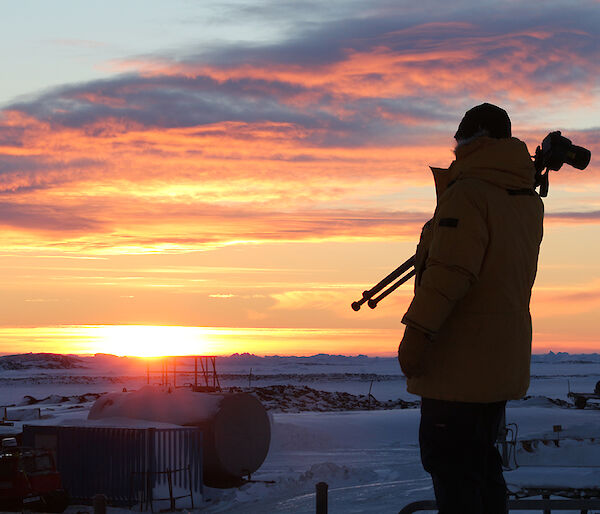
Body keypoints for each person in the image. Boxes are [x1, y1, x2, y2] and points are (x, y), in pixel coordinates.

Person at [398, 103, 544, 514]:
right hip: (497, 367)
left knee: (454, 471)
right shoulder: (524, 200)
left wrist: (417, 334)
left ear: (475, 136)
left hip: (457, 370)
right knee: (482, 467)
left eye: (460, 137)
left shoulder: (469, 194)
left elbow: (448, 275)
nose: (456, 146)